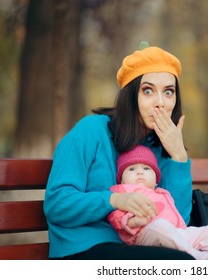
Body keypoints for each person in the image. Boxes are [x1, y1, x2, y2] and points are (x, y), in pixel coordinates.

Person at [43, 45, 194, 259]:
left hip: (135, 250)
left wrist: (178, 157)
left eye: (168, 92)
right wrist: (113, 200)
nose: (160, 102)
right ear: (130, 95)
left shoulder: (162, 146)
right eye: (148, 90)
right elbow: (57, 203)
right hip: (81, 251)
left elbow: (177, 223)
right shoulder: (91, 131)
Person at [108, 145, 208, 260]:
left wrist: (185, 233)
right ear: (122, 179)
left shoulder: (163, 194)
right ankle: (196, 256)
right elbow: (116, 217)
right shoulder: (123, 191)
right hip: (144, 236)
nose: (139, 172)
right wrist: (134, 222)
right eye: (132, 169)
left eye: (146, 168)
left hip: (176, 233)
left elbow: (176, 215)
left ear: (156, 179)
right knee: (160, 226)